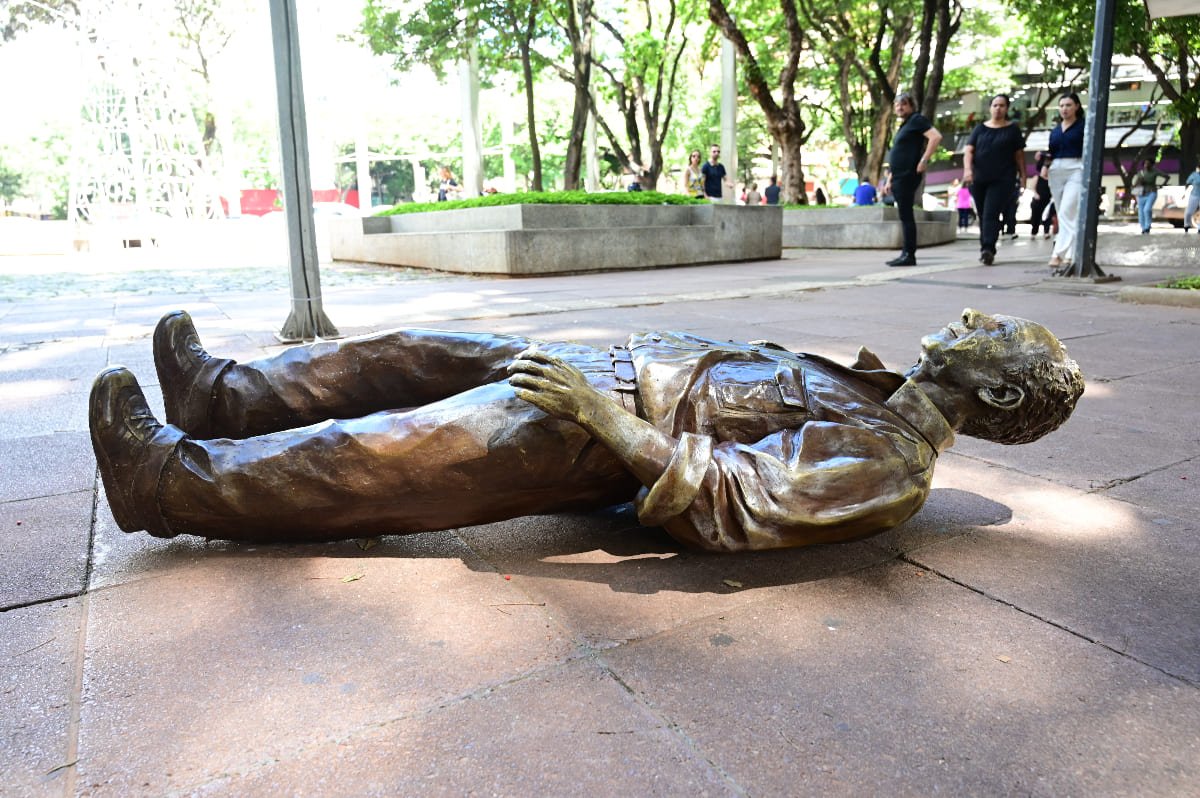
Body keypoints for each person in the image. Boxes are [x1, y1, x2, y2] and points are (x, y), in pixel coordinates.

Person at [89, 309, 1083, 553]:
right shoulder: (868, 385)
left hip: (595, 427)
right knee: (401, 352)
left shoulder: (889, 469)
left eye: (993, 341)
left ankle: (167, 483)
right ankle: (222, 396)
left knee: (381, 456)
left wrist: (605, 419)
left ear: (995, 399)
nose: (971, 323)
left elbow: (735, 501)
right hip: (599, 378)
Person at [962, 94, 1026, 265]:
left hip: (1002, 179)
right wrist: (968, 171)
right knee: (983, 214)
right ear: (990, 108)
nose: (998, 108)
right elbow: (969, 151)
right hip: (979, 178)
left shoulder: (1013, 129)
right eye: (995, 105)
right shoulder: (980, 129)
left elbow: (1019, 155)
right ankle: (985, 246)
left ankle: (988, 248)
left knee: (991, 212)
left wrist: (1024, 176)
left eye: (1002, 105)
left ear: (1007, 108)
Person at [881, 92, 943, 267]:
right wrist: (889, 180)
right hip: (898, 176)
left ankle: (909, 254)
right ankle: (906, 252)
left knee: (906, 215)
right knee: (904, 214)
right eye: (897, 105)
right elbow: (899, 154)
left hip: (908, 174)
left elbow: (936, 136)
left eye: (903, 104)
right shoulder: (905, 125)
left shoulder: (917, 120)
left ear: (911, 105)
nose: (900, 107)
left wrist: (924, 160)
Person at [1042, 93, 1085, 270]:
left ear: (1076, 106)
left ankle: (1057, 253)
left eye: (1068, 105)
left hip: (1076, 168)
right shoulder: (1055, 130)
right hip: (1055, 171)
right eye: (1061, 105)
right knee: (1064, 214)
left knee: (1067, 210)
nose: (1064, 109)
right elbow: (1050, 151)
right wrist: (1045, 165)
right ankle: (1071, 254)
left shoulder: (1083, 126)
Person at [1133, 159, 1170, 234]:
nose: (1146, 165)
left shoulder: (1155, 171)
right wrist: (1140, 182)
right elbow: (1135, 184)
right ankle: (1143, 228)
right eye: (1145, 163)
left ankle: (1147, 226)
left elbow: (1167, 176)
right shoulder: (1140, 173)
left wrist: (1163, 184)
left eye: (1148, 163)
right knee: (1141, 212)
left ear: (1152, 165)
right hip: (1141, 194)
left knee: (1147, 209)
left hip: (1151, 193)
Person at [1029, 152, 1053, 239]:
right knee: (1036, 217)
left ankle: (1046, 232)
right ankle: (1034, 232)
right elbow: (1033, 188)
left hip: (1047, 200)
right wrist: (1036, 194)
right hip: (1038, 201)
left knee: (1047, 216)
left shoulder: (1050, 180)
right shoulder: (1037, 178)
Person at [1184, 163, 1200, 233]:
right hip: (1194, 194)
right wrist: (1184, 193)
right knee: (1189, 211)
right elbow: (1187, 183)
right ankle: (1187, 224)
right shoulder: (1194, 175)